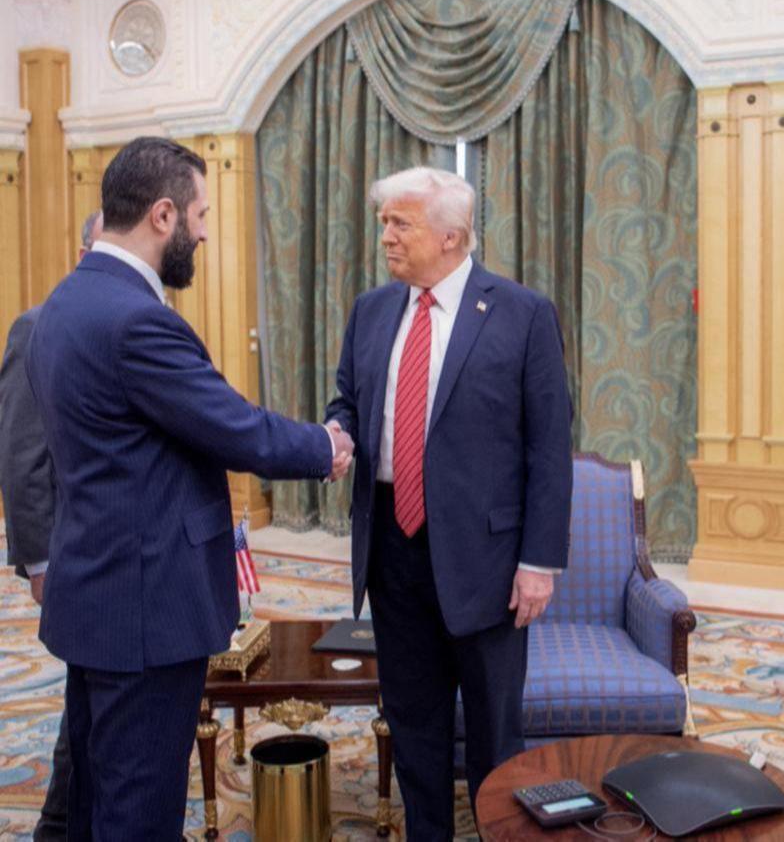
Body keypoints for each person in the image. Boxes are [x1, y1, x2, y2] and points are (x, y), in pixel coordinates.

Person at [25, 137, 354, 840]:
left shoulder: (62, 303)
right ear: (165, 214)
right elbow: (234, 428)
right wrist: (324, 446)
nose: (205, 231)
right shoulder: (138, 321)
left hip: (97, 595)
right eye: (202, 214)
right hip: (146, 608)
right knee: (138, 808)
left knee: (91, 791)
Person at [325, 166, 572, 839]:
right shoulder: (372, 310)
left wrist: (540, 560)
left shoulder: (523, 313)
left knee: (495, 729)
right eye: (384, 222)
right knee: (414, 721)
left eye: (399, 223)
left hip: (488, 562)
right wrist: (337, 432)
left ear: (452, 236)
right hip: (392, 553)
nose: (386, 236)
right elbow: (347, 398)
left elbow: (548, 448)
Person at [0, 209, 100, 840]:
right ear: (87, 247)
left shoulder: (144, 322)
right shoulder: (36, 328)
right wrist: (38, 561)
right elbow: (20, 452)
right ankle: (60, 824)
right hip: (70, 554)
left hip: (115, 553)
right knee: (86, 700)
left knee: (92, 701)